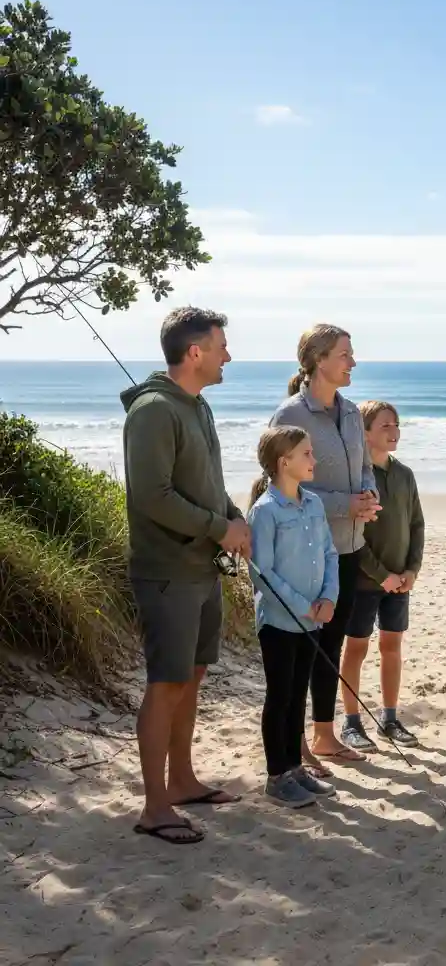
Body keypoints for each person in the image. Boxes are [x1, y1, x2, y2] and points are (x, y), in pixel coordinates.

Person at [121, 307, 249, 845]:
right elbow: (153, 497)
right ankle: (154, 807)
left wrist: (232, 517)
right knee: (166, 683)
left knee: (192, 676)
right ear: (194, 351)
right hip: (168, 571)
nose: (228, 355)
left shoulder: (198, 407)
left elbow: (204, 483)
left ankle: (182, 781)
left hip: (202, 567)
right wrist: (217, 527)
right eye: (221, 346)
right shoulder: (154, 410)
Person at [269, 324, 381, 770]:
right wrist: (343, 505)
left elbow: (364, 468)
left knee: (330, 645)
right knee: (303, 650)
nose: (352, 362)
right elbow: (281, 486)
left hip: (349, 549)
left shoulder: (352, 413)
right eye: (344, 354)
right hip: (309, 553)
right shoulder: (290, 416)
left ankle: (324, 736)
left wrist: (370, 497)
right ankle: (294, 745)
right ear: (318, 360)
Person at [247, 426, 340, 808]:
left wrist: (329, 597)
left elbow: (330, 554)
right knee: (280, 695)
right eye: (306, 454)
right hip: (279, 623)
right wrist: (304, 604)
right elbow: (261, 573)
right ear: (284, 462)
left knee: (299, 694)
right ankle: (277, 776)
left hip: (314, 619)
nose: (313, 460)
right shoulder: (265, 511)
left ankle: (295, 767)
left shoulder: (314, 504)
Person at [340, 400, 425, 751]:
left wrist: (411, 570)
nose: (394, 432)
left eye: (397, 424)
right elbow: (353, 536)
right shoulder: (358, 478)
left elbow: (417, 524)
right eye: (385, 426)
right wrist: (381, 575)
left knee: (392, 647)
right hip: (363, 581)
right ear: (365, 432)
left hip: (400, 582)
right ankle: (351, 723)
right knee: (356, 649)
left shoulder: (404, 475)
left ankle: (390, 719)